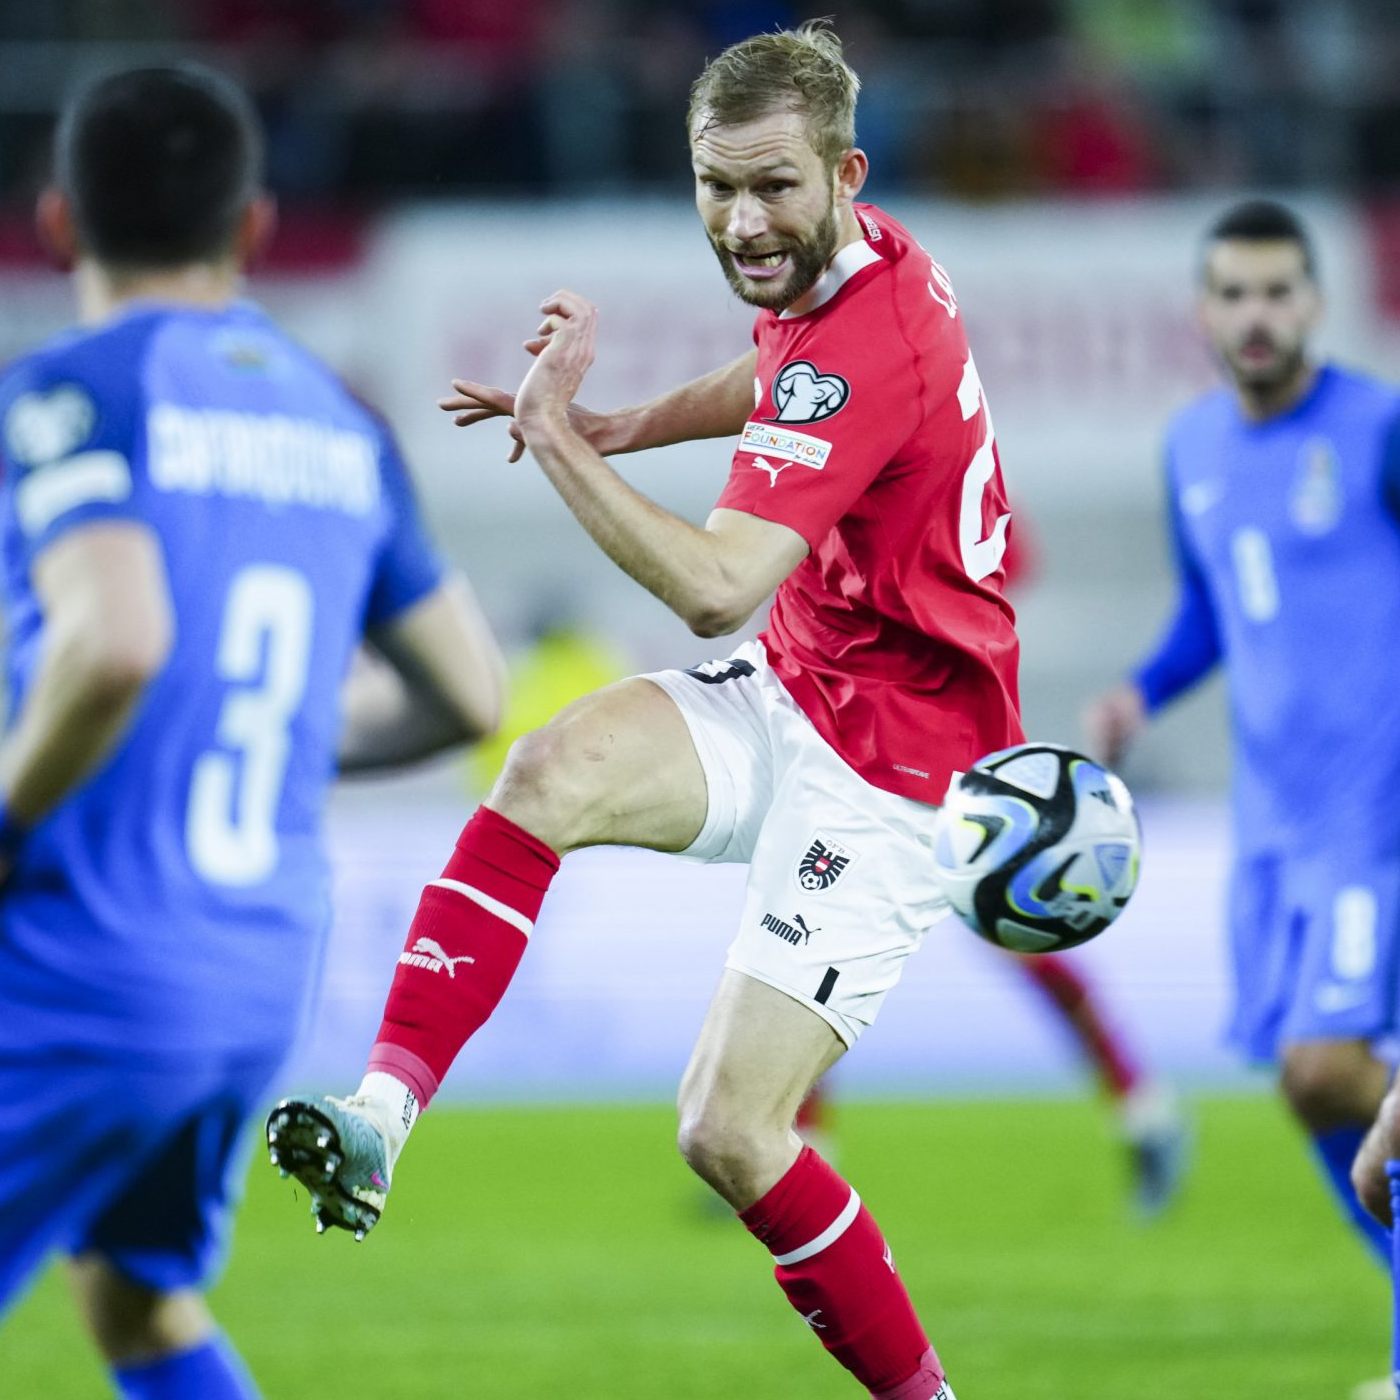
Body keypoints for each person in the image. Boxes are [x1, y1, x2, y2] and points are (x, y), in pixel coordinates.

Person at [269, 21, 1028, 1398]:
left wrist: (559, 442)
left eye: (774, 189)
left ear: (846, 170)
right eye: (714, 186)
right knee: (544, 772)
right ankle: (380, 1115)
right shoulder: (852, 260)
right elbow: (778, 378)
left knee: (729, 1135)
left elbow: (717, 587)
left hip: (900, 768)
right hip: (805, 685)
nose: (742, 222)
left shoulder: (876, 332)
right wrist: (628, 424)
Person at [0, 65, 504, 1399]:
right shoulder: (343, 426)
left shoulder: (74, 393)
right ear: (255, 227)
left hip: (82, 956)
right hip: (256, 973)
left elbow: (114, 641)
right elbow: (471, 696)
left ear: (59, 224)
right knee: (136, 1301)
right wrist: (278, 737)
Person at [1083, 200, 1400, 1324]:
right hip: (1268, 825)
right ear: (1202, 311)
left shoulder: (1377, 428)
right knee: (1302, 1089)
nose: (1255, 314)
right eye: (1233, 293)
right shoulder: (1191, 448)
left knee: (1327, 1067)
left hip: (1373, 820)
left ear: (1313, 303)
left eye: (1276, 291)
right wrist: (1139, 690)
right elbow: (1209, 613)